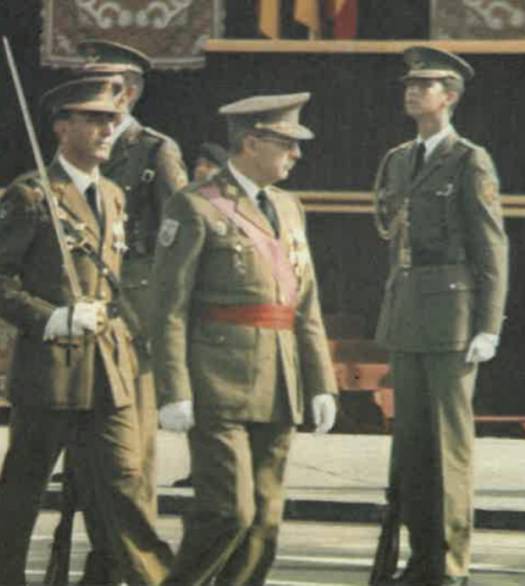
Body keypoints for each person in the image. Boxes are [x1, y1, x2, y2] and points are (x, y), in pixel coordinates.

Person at [150, 92, 338, 586]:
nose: (296, 155)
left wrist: (321, 383)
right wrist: (175, 390)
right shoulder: (195, 205)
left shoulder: (289, 207)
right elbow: (168, 308)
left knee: (264, 522)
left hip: (281, 381)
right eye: (286, 143)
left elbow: (306, 304)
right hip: (218, 384)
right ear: (251, 142)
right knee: (228, 510)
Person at [0, 76, 171, 585]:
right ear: (61, 127)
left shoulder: (115, 195)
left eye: (112, 121)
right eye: (94, 119)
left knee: (124, 487)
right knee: (22, 494)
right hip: (50, 372)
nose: (106, 130)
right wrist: (49, 316)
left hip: (107, 368)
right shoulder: (31, 194)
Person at [372, 46, 509, 586]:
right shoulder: (400, 159)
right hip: (409, 310)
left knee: (449, 449)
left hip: (453, 314)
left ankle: (450, 564)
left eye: (425, 85)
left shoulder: (469, 159)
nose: (412, 91)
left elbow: (491, 248)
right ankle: (421, 556)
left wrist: (489, 325)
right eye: (409, 83)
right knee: (411, 447)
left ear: (449, 97)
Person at [72, 39, 188, 583]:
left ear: (131, 92)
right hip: (79, 316)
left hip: (134, 320)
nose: (95, 95)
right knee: (87, 459)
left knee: (130, 461)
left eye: (108, 85)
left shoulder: (155, 150)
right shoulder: (72, 146)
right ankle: (105, 563)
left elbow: (181, 239)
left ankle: (130, 568)